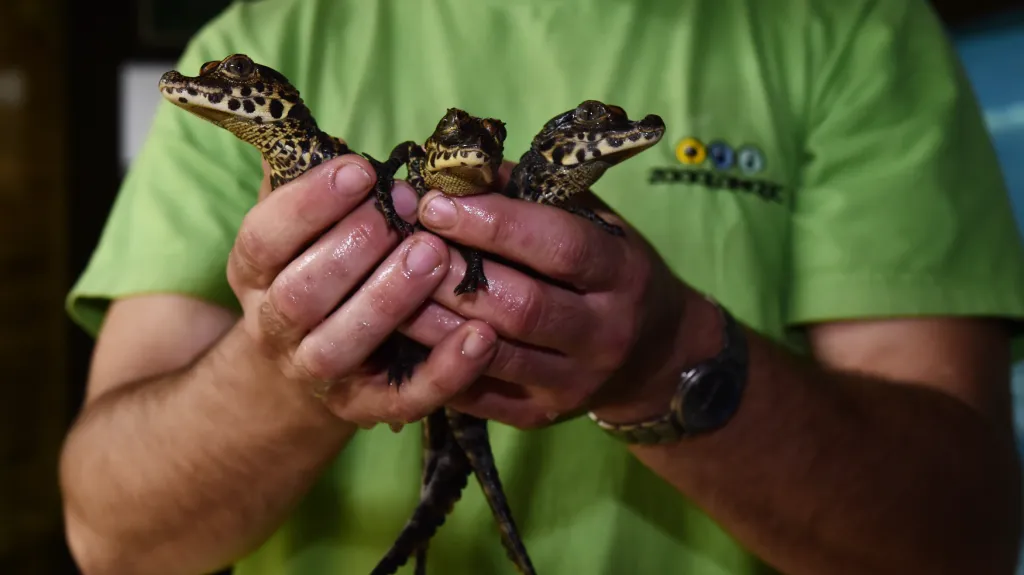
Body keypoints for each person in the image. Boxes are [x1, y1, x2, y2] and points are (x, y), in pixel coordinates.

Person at [58, 0, 1024, 573]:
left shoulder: (850, 29)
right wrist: (290, 360)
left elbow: (961, 542)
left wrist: (667, 359)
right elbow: (111, 536)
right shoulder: (269, 28)